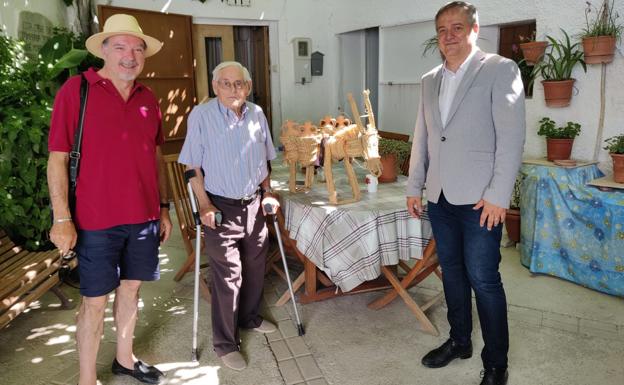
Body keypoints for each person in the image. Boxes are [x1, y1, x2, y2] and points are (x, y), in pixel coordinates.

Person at [47, 14, 172, 385]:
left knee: (132, 290)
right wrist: (61, 217)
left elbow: (154, 157)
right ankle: (87, 379)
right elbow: (57, 158)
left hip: (144, 218)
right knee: (94, 302)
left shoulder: (148, 97)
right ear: (103, 50)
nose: (129, 55)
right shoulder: (77, 91)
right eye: (120, 46)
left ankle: (125, 359)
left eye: (137, 48)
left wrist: (163, 208)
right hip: (95, 219)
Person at [406, 2, 525, 385]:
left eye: (457, 27)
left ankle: (496, 363)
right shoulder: (429, 79)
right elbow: (422, 138)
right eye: (442, 29)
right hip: (439, 197)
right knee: (452, 274)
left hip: (480, 201)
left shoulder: (500, 70)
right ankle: (459, 341)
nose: (449, 35)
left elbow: (511, 140)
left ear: (474, 30)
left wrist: (498, 196)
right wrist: (415, 186)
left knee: (484, 279)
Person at [178, 61, 279, 371]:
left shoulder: (257, 114)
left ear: (247, 87)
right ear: (215, 86)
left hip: (253, 204)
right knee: (229, 275)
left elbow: (265, 160)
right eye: (226, 83)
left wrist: (268, 192)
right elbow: (192, 166)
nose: (233, 90)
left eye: (239, 84)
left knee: (255, 264)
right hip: (220, 206)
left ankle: (248, 318)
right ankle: (225, 343)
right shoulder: (202, 115)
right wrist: (205, 204)